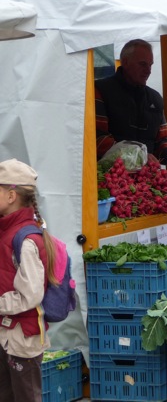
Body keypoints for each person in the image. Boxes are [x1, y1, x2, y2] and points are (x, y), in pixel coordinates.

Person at [0, 159, 57, 401]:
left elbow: (30, 294)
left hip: (21, 338)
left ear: (11, 195)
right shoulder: (9, 231)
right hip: (8, 334)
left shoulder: (24, 239)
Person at [95, 39, 167, 176]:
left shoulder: (155, 99)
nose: (148, 70)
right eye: (143, 64)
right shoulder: (101, 90)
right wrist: (140, 156)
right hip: (111, 180)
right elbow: (97, 138)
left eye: (150, 65)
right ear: (125, 62)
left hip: (148, 183)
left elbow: (162, 139)